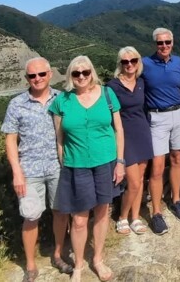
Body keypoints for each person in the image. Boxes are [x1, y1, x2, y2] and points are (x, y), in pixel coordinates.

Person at [49, 56, 125, 282]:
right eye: (76, 73)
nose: (81, 76)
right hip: (76, 165)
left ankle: (98, 259)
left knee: (102, 212)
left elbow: (118, 130)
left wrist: (120, 162)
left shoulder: (108, 95)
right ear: (70, 76)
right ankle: (79, 265)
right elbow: (59, 138)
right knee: (80, 219)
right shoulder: (62, 101)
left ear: (92, 72)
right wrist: (64, 163)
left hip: (106, 162)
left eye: (85, 72)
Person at [1, 57, 73, 282]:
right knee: (31, 216)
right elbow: (11, 140)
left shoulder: (62, 99)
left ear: (50, 74)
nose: (37, 79)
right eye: (32, 76)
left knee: (61, 212)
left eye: (42, 74)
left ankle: (58, 254)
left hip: (58, 165)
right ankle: (31, 266)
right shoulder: (17, 104)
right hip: (29, 169)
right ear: (27, 78)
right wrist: (17, 172)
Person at [141, 27, 180, 234]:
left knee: (178, 158)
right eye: (160, 43)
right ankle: (156, 212)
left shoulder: (178, 62)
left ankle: (176, 199)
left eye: (167, 42)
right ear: (155, 44)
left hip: (178, 113)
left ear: (172, 42)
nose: (164, 46)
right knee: (158, 166)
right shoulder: (145, 64)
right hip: (157, 116)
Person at [105, 47, 153, 236]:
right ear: (120, 64)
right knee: (133, 182)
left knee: (140, 179)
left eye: (133, 60)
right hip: (125, 137)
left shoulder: (142, 82)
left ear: (138, 62)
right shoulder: (112, 87)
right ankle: (122, 217)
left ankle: (135, 217)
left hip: (142, 133)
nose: (130, 64)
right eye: (125, 62)